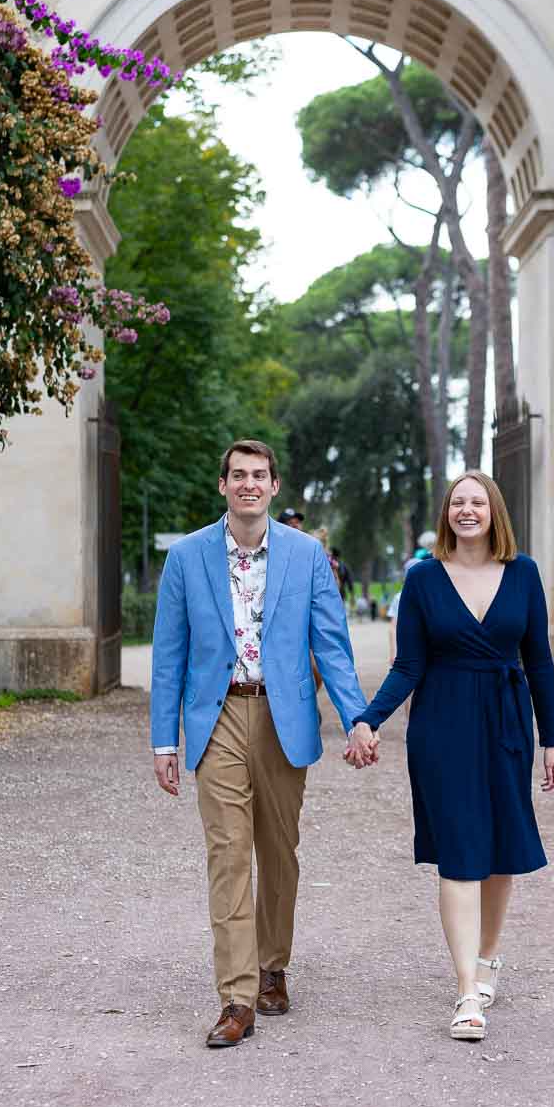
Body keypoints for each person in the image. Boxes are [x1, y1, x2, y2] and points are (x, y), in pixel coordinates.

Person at [151, 439, 375, 1048]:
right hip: (217, 715)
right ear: (222, 485)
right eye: (238, 475)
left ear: (274, 487)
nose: (249, 484)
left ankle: (274, 964)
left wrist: (357, 717)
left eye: (259, 475)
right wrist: (163, 742)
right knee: (228, 852)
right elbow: (168, 653)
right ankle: (236, 996)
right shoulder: (188, 558)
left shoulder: (307, 556)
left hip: (284, 718)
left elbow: (332, 646)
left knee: (279, 851)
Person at [347, 470, 554, 1042]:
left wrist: (552, 740)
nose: (467, 510)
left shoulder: (523, 574)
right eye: (458, 503)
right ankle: (467, 990)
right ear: (446, 514)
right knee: (460, 853)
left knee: (500, 852)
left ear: (495, 512)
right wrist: (369, 718)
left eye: (478, 502)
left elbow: (538, 661)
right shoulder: (422, 580)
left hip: (507, 724)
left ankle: (490, 957)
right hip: (442, 726)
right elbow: (408, 667)